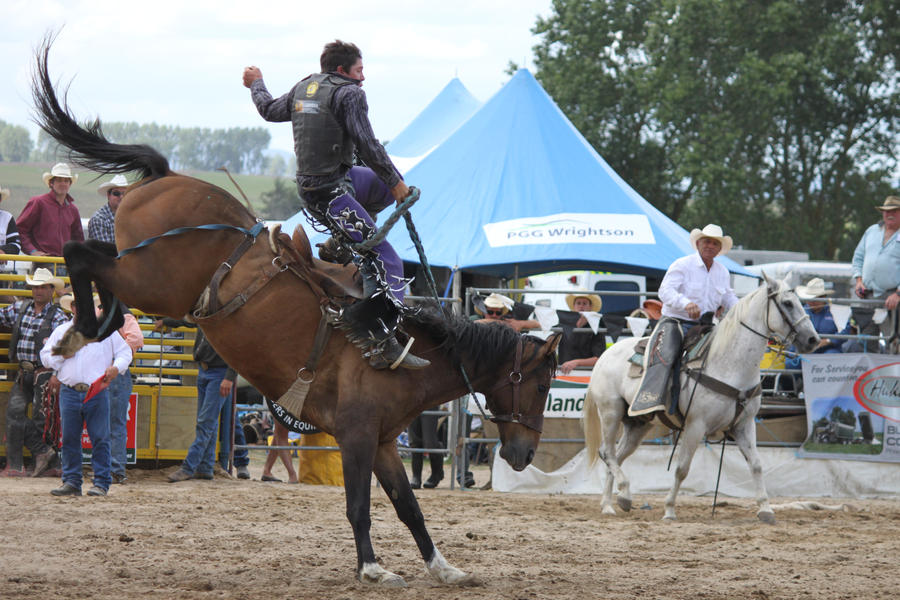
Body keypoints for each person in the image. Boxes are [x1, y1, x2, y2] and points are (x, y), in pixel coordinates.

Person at [242, 40, 429, 371]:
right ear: (343, 71)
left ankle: (342, 241)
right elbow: (368, 144)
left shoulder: (305, 87)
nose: (363, 78)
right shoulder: (351, 94)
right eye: (359, 71)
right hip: (330, 194)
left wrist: (256, 83)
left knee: (385, 188)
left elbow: (269, 110)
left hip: (321, 183)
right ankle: (382, 341)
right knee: (390, 260)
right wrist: (396, 182)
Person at [630, 224, 739, 419]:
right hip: (676, 321)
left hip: (707, 326)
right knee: (666, 355)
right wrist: (685, 303)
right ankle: (649, 401)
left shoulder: (722, 271)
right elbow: (665, 291)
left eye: (715, 243)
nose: (710, 246)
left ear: (719, 248)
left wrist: (742, 311)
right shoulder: (682, 264)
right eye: (707, 241)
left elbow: (729, 298)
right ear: (698, 243)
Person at [40, 305, 132, 496]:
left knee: (97, 438)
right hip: (75, 390)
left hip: (90, 390)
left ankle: (92, 481)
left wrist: (116, 367)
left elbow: (125, 354)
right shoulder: (63, 330)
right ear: (73, 307)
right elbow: (45, 357)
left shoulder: (104, 331)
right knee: (75, 438)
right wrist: (62, 356)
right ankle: (79, 481)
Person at [0, 268, 68, 477]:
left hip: (46, 372)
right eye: (35, 287)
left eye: (42, 287)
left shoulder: (58, 316)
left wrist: (57, 373)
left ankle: (29, 463)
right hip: (25, 371)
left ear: (50, 290)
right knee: (15, 413)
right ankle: (42, 456)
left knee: (41, 419)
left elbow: (65, 348)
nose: (38, 291)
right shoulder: (20, 308)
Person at [156, 319, 237, 482]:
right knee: (208, 423)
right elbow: (186, 321)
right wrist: (166, 320)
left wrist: (229, 377)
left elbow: (238, 349)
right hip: (209, 371)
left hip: (215, 373)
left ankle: (188, 467)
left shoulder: (225, 321)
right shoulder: (209, 316)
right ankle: (205, 467)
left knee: (205, 422)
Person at [851, 195, 900, 351]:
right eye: (886, 211)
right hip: (869, 296)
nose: (889, 214)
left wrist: (898, 294)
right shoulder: (871, 231)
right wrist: (859, 280)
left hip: (893, 298)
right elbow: (858, 257)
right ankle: (869, 374)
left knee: (895, 341)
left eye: (894, 210)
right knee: (866, 340)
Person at [17, 163, 84, 258]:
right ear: (51, 183)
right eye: (59, 180)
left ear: (70, 184)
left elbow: (78, 240)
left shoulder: (73, 210)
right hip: (43, 263)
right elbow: (20, 230)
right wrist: (33, 251)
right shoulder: (38, 203)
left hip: (65, 264)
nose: (63, 184)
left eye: (66, 180)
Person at [785, 278, 843, 370]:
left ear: (823, 297)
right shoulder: (802, 311)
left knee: (830, 358)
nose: (811, 301)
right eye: (809, 298)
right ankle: (791, 383)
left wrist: (828, 341)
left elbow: (845, 330)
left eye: (815, 298)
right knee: (789, 363)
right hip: (804, 348)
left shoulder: (835, 311)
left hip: (827, 350)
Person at [557, 291, 605, 374]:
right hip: (563, 374)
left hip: (587, 375)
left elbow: (599, 359)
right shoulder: (562, 326)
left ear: (590, 307)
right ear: (574, 306)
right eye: (578, 303)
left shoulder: (596, 329)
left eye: (584, 303)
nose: (581, 306)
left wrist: (577, 362)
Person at [407, 411, 444, 489]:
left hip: (429, 402)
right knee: (414, 441)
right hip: (411, 402)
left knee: (430, 441)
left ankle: (437, 473)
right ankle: (416, 476)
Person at [87, 174, 129, 244]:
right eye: (116, 193)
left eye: (124, 193)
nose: (121, 197)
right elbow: (104, 251)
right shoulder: (98, 219)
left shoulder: (130, 215)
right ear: (108, 195)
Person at [473, 293, 541, 332]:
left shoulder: (508, 320)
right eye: (490, 312)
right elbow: (473, 323)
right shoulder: (475, 319)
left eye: (498, 313)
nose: (494, 315)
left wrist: (521, 324)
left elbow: (538, 324)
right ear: (483, 311)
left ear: (502, 313)